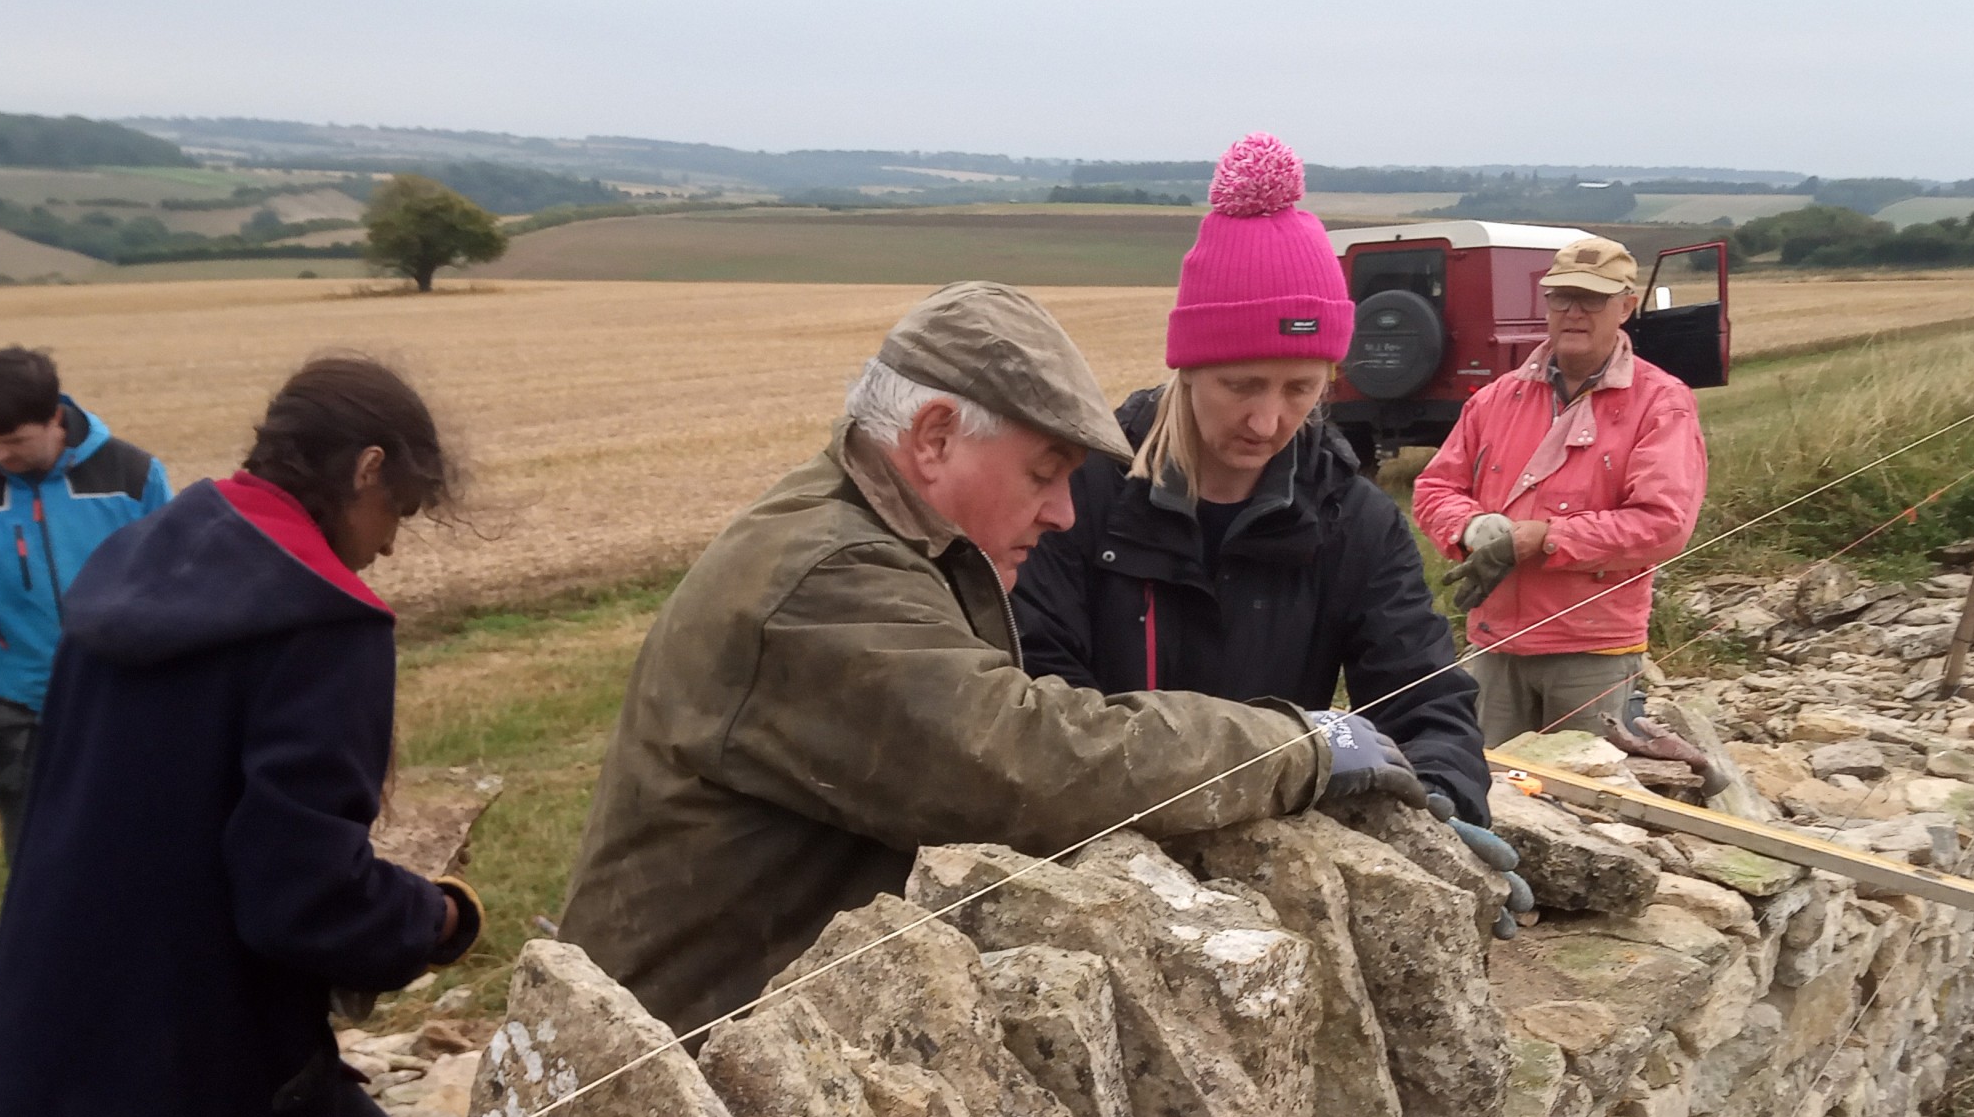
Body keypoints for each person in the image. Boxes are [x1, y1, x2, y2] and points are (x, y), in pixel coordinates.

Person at [560, 280, 1414, 1039]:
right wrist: (1296, 744)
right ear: (934, 437)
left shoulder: (869, 534)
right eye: (1044, 474)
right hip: (675, 1062)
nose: (1063, 515)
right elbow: (1030, 762)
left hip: (727, 1034)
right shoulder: (829, 581)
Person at [0, 356, 483, 1117]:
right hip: (210, 1042)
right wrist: (437, 919)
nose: (388, 549)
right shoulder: (322, 624)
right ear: (367, 469)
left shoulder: (145, 552)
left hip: (88, 995)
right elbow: (304, 898)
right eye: (399, 513)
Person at [1015, 135, 1491, 830]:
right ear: (1186, 368)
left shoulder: (1355, 522)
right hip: (1100, 846)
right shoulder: (1080, 498)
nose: (1267, 421)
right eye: (1240, 384)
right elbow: (1040, 699)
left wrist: (1445, 807)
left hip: (1274, 850)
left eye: (1301, 387)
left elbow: (1423, 700)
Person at [1412, 235, 1710, 749]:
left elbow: (1663, 525)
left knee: (1587, 806)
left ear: (1626, 306)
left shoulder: (1662, 403)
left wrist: (1543, 538)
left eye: (1592, 298)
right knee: (1490, 792)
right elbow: (1435, 487)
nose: (1574, 312)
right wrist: (1471, 527)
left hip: (1592, 651)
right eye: (1561, 296)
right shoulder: (1494, 399)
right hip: (1494, 645)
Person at [0, 346, 171, 862]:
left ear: (54, 419)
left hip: (123, 709)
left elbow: (176, 600)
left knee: (141, 865)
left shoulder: (134, 477)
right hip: (20, 718)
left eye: (13, 442)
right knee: (40, 876)